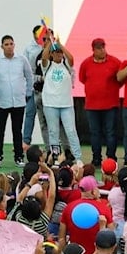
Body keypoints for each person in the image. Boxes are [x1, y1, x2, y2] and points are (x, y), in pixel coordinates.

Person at [0, 35, 33, 167]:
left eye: (11, 44)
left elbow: (29, 76)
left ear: (14, 45)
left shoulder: (22, 60)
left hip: (18, 101)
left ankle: (19, 156)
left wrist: (28, 93)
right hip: (1, 101)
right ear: (2, 46)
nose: (9, 47)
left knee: (17, 130)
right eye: (6, 44)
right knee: (0, 130)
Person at [36, 34, 82, 165]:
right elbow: (44, 57)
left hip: (66, 104)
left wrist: (60, 45)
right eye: (56, 52)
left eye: (60, 52)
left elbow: (71, 58)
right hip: (50, 104)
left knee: (71, 131)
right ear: (52, 54)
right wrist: (50, 44)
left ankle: (78, 158)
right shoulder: (47, 66)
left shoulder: (66, 65)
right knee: (53, 132)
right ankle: (55, 157)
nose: (58, 54)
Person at [79, 38, 122, 167]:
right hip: (92, 105)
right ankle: (96, 158)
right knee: (95, 133)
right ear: (93, 50)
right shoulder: (86, 63)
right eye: (99, 48)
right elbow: (82, 79)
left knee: (111, 133)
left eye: (103, 47)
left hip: (110, 105)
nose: (102, 50)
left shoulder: (115, 62)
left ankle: (111, 158)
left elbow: (120, 79)